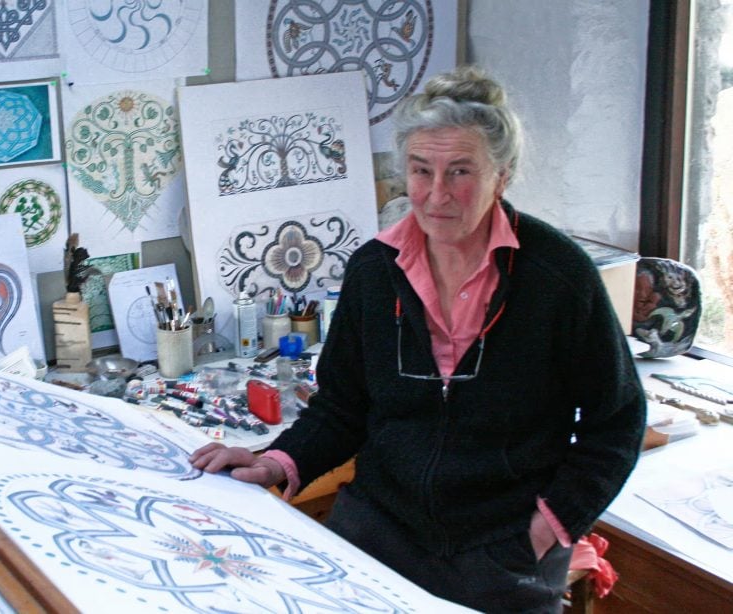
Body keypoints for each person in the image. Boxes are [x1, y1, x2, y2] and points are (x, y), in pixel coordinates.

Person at [191, 65, 646, 613]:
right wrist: (278, 460)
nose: (436, 195)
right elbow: (342, 406)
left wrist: (551, 524)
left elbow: (616, 421)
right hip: (379, 530)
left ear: (501, 176)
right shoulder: (374, 271)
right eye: (420, 169)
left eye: (460, 172)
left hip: (504, 549)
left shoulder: (557, 276)